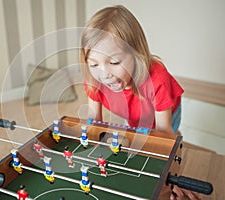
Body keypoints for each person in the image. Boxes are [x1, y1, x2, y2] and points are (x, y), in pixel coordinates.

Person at [80, 5, 200, 200]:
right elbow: (94, 120)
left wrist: (170, 178)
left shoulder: (158, 78)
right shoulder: (94, 79)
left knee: (160, 143)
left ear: (137, 54)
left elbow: (165, 132)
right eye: (94, 64)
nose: (104, 74)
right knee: (136, 137)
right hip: (134, 112)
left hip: (163, 113)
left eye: (114, 62)